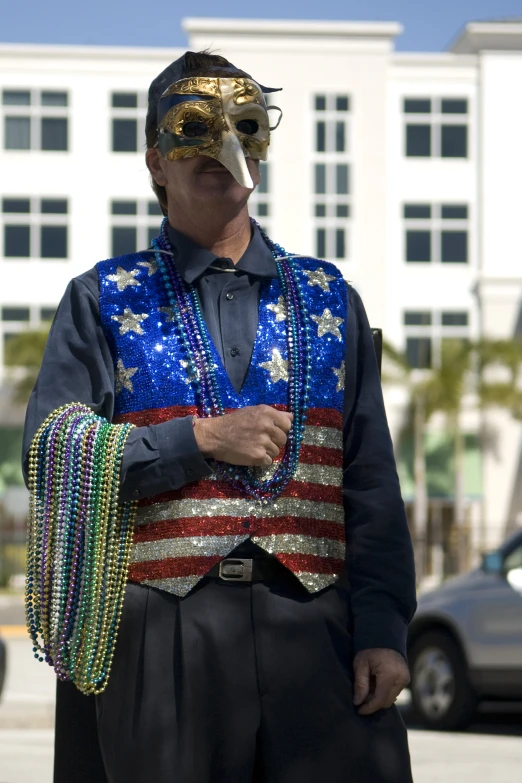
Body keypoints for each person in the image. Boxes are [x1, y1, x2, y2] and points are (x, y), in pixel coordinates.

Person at [23, 50, 417, 783]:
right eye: (193, 127)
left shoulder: (332, 297)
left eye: (243, 122)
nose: (221, 145)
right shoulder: (102, 296)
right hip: (160, 637)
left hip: (318, 632)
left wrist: (386, 629)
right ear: (155, 162)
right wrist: (197, 440)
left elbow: (371, 481)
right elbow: (49, 451)